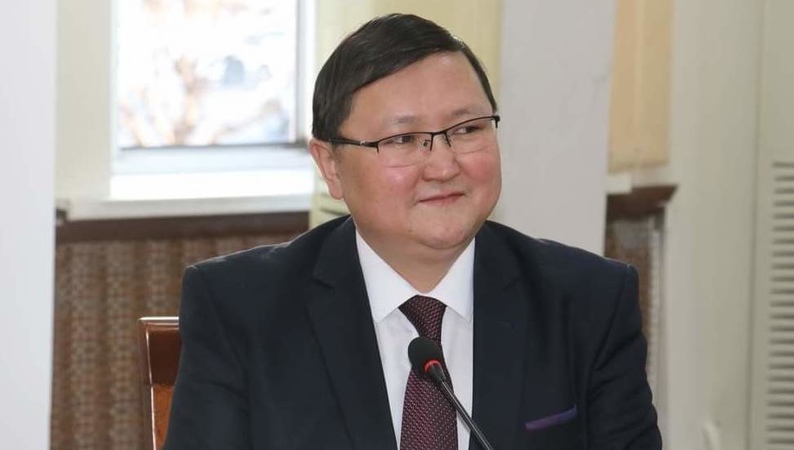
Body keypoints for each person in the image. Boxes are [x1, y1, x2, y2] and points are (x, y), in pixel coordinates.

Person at [163, 13, 661, 450]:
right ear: (330, 165)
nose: (443, 165)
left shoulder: (588, 303)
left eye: (467, 130)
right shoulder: (242, 310)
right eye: (403, 139)